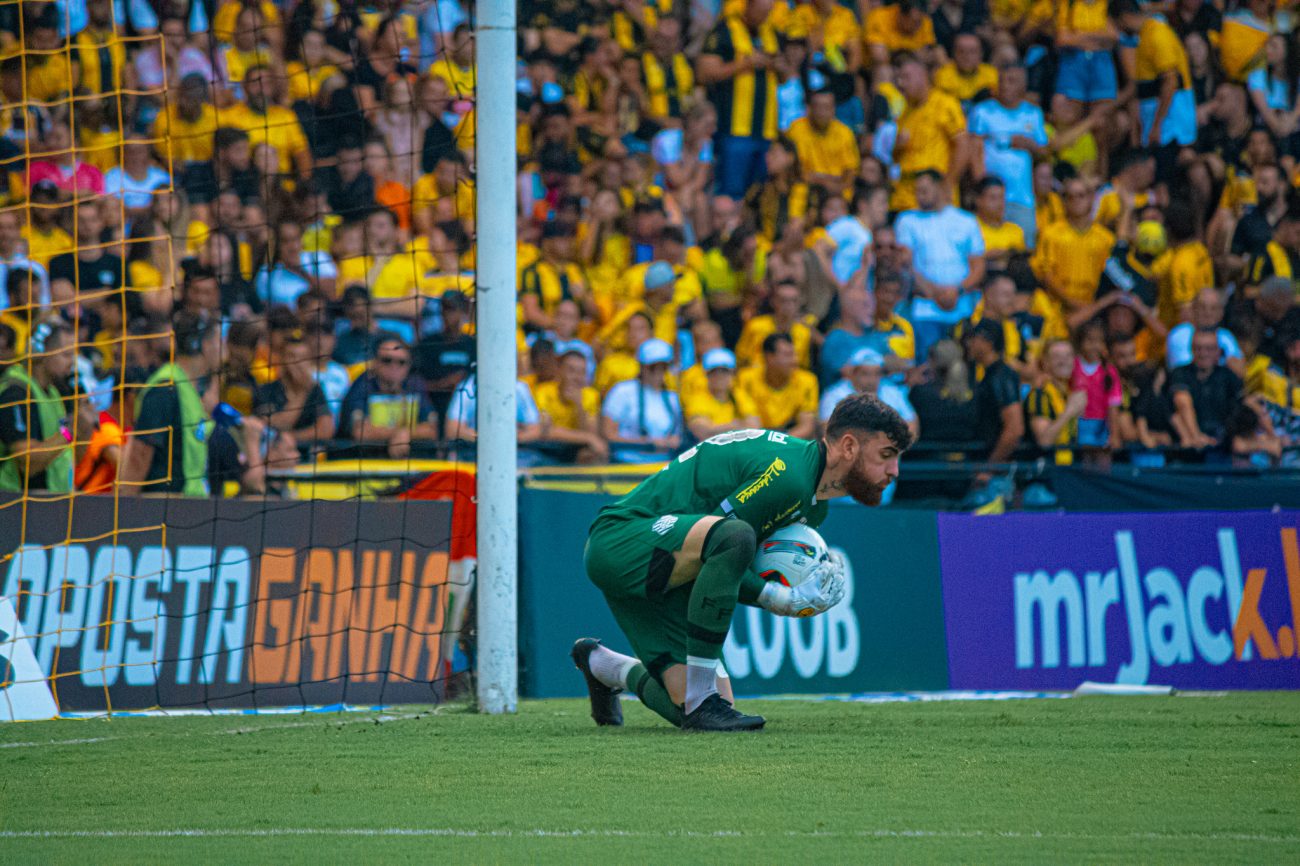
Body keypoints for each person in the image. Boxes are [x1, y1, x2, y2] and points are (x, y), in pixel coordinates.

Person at [572, 392, 912, 731]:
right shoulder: (788, 476)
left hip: (669, 570)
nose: (895, 471)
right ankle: (702, 698)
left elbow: (728, 566)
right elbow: (727, 542)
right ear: (849, 446)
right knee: (733, 538)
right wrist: (781, 599)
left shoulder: (813, 501)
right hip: (622, 540)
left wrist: (785, 599)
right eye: (886, 455)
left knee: (694, 712)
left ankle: (603, 666)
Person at [0, 321, 94, 493]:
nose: (72, 363)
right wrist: (70, 431)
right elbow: (27, 463)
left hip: (54, 501)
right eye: (66, 355)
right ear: (41, 353)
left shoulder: (53, 393)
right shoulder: (16, 393)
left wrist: (84, 430)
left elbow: (66, 459)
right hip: (17, 506)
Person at [338, 336, 440, 458]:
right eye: (387, 360)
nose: (394, 366)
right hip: (368, 462)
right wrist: (399, 434)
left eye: (401, 362)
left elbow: (431, 429)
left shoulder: (415, 385)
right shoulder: (362, 385)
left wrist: (405, 433)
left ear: (408, 366)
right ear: (375, 362)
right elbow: (360, 431)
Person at [600, 338, 684, 463]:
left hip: (662, 465)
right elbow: (608, 434)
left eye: (663, 367)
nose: (658, 372)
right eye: (653, 367)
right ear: (642, 367)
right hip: (627, 464)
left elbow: (677, 433)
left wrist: (675, 441)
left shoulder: (672, 398)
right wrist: (646, 443)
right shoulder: (622, 391)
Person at [1170, 327, 1245, 449]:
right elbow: (1182, 402)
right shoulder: (1180, 373)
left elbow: (1241, 406)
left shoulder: (1228, 376)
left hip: (1225, 445)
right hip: (1189, 446)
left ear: (1218, 351)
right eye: (1198, 348)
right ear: (1191, 350)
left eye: (1209, 349)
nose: (1203, 354)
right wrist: (1197, 436)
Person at [532, 344, 609, 464]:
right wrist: (588, 438)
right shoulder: (543, 392)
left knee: (594, 454)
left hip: (575, 449)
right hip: (548, 449)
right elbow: (546, 431)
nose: (576, 377)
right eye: (571, 370)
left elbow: (592, 433)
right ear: (559, 370)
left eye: (581, 372)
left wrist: (579, 406)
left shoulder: (590, 395)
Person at [736, 332, 819, 438]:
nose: (794, 361)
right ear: (769, 357)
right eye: (787, 355)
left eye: (794, 354)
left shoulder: (808, 380)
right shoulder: (746, 379)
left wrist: (777, 443)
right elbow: (749, 421)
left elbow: (806, 426)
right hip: (755, 438)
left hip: (789, 439)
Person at [682, 348, 761, 442]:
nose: (720, 377)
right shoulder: (697, 399)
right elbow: (703, 433)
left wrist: (719, 429)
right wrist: (736, 425)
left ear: (733, 374)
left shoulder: (739, 395)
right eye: (714, 372)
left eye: (725, 371)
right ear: (706, 375)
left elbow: (755, 426)